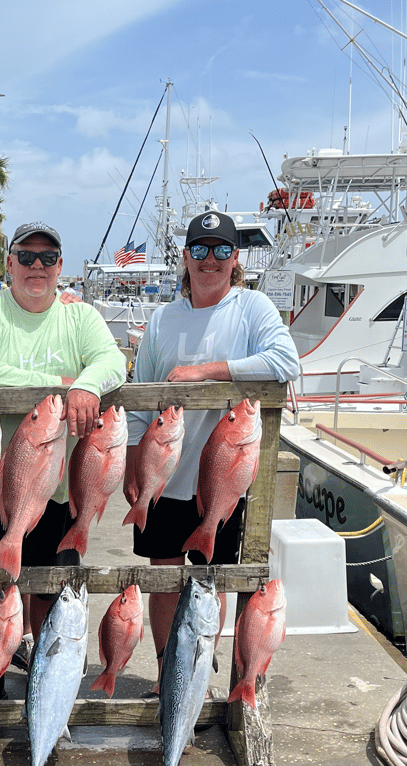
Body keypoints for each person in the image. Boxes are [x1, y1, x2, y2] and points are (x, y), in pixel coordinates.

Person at [124, 210, 300, 688]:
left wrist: (207, 371)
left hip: (225, 477)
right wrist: (131, 467)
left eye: (221, 250)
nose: (210, 260)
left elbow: (286, 362)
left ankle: (198, 669)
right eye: (199, 250)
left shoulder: (253, 308)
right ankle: (166, 672)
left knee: (212, 579)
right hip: (164, 475)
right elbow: (140, 397)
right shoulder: (161, 319)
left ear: (235, 258)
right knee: (163, 578)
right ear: (185, 256)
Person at [0, 221, 127, 653]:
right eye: (26, 256)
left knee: (50, 591)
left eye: (47, 258)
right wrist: (57, 383)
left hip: (59, 490)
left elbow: (113, 361)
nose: (37, 265)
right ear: (9, 263)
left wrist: (87, 386)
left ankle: (44, 666)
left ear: (60, 265)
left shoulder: (80, 315)